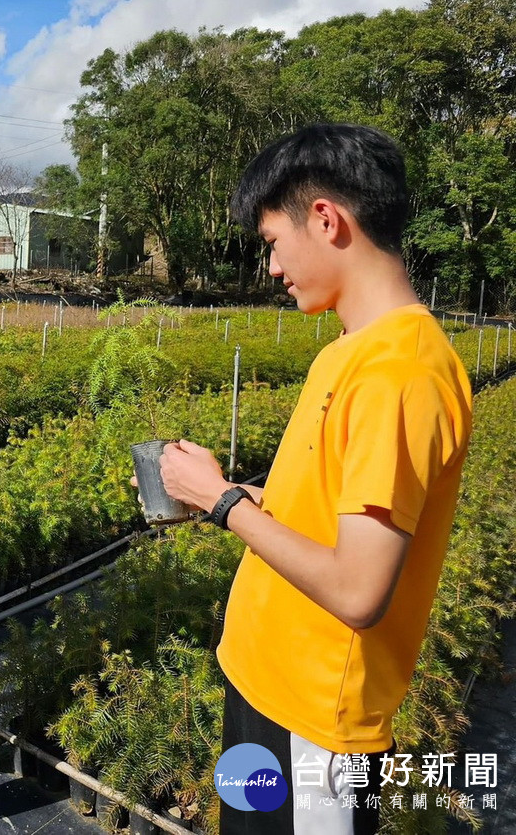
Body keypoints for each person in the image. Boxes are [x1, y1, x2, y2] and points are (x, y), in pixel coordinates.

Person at [148, 124, 472, 834]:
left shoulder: (402, 372)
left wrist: (224, 502)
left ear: (326, 219)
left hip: (313, 725)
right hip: (262, 685)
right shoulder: (349, 353)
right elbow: (331, 513)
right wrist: (249, 496)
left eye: (271, 241)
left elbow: (359, 593)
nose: (270, 267)